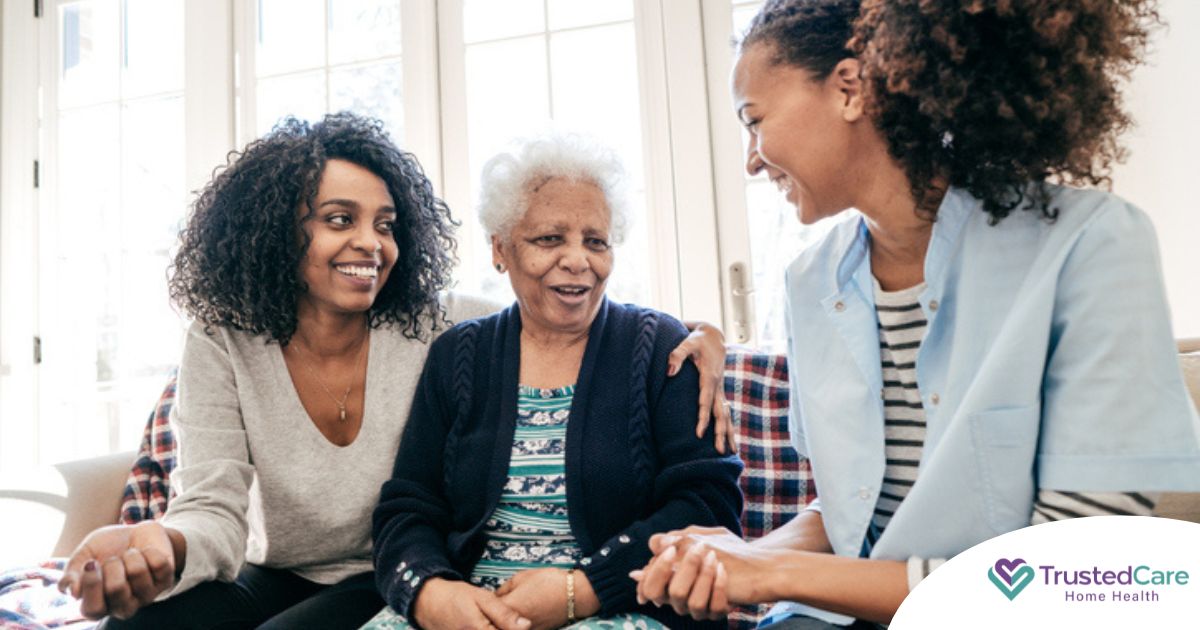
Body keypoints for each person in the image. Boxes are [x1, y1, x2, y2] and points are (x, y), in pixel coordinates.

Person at [633, 0, 1200, 627]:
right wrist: (734, 556)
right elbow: (851, 512)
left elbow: (1070, 575)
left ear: (849, 88)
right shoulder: (809, 280)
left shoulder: (1091, 246)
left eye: (754, 119)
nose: (751, 158)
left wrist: (769, 571)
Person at [55, 113, 730, 629]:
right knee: (142, 622)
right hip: (282, 566)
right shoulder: (225, 341)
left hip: (378, 575)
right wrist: (161, 544)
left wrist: (705, 334)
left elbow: (557, 309)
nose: (370, 244)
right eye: (339, 220)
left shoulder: (438, 325)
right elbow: (214, 511)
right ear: (276, 232)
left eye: (385, 223)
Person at [363, 133, 744, 630]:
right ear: (500, 249)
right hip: (474, 611)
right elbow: (408, 507)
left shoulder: (661, 349)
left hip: (622, 606)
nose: (577, 260)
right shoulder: (459, 354)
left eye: (596, 241)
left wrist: (582, 590)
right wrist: (432, 593)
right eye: (549, 239)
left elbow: (708, 507)